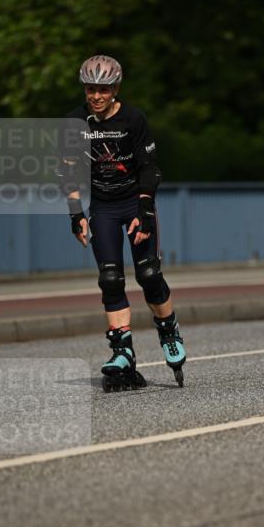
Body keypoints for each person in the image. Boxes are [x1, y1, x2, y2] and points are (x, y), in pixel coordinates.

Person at [59, 54, 186, 390]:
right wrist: (76, 215)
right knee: (110, 279)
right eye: (90, 89)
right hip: (103, 207)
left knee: (148, 274)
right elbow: (68, 172)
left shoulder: (133, 118)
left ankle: (168, 330)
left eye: (103, 89)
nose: (96, 96)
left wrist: (144, 210)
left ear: (115, 88)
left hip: (134, 203)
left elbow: (149, 168)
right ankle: (122, 352)